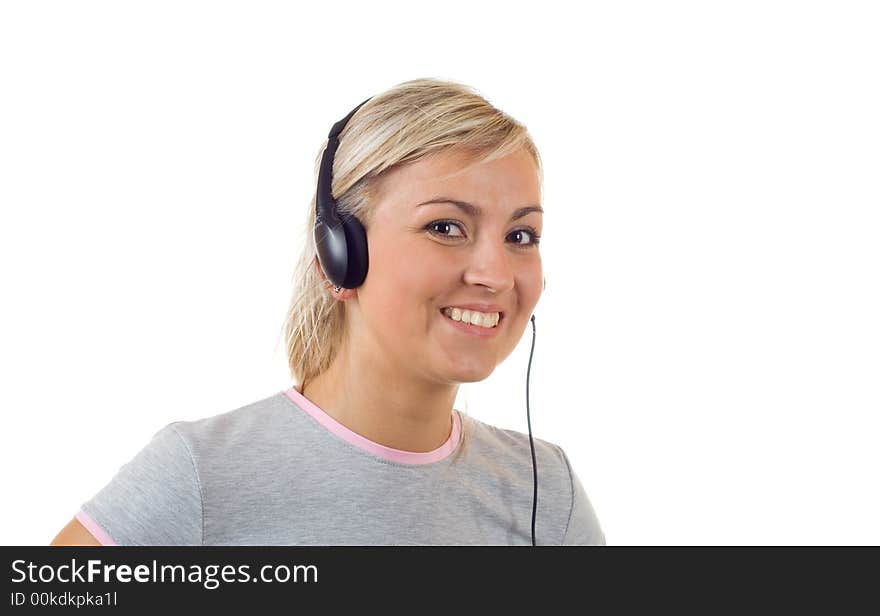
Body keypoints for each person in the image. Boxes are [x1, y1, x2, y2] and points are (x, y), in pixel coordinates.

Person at [50, 78, 605, 546]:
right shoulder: (199, 476)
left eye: (521, 235)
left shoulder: (545, 491)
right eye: (445, 227)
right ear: (340, 256)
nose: (496, 273)